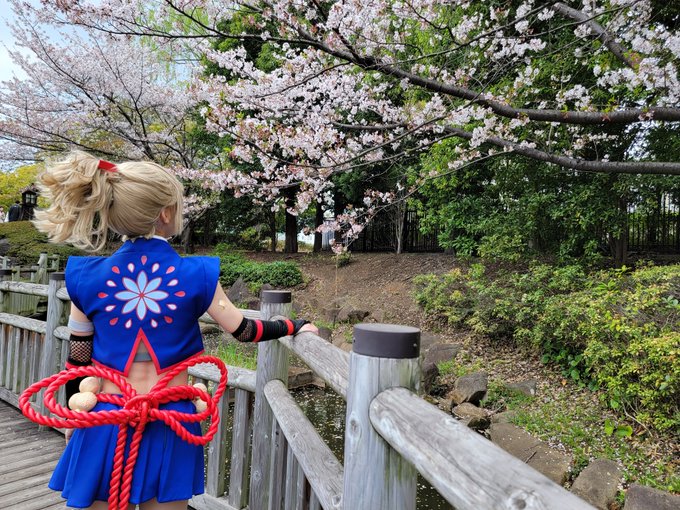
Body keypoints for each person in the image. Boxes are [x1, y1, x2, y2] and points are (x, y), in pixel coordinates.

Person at [32, 151, 318, 510]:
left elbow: (78, 359)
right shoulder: (197, 274)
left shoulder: (85, 276)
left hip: (104, 419)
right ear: (166, 214)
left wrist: (74, 415)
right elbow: (245, 330)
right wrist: (294, 325)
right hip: (171, 419)